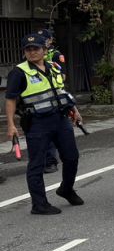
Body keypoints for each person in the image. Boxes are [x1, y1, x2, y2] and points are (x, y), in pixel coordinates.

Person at [4, 33, 84, 215]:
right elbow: (10, 100)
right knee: (37, 163)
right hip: (37, 123)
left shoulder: (53, 67)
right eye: (28, 49)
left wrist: (74, 110)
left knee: (71, 157)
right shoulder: (19, 72)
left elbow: (60, 91)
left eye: (36, 49)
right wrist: (11, 124)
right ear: (24, 52)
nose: (32, 52)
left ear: (45, 50)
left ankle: (66, 189)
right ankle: (39, 204)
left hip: (61, 119)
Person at [36, 28, 64, 173]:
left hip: (54, 98)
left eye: (45, 39)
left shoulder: (55, 55)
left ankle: (52, 161)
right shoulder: (32, 56)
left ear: (50, 40)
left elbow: (62, 78)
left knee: (52, 132)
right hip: (37, 100)